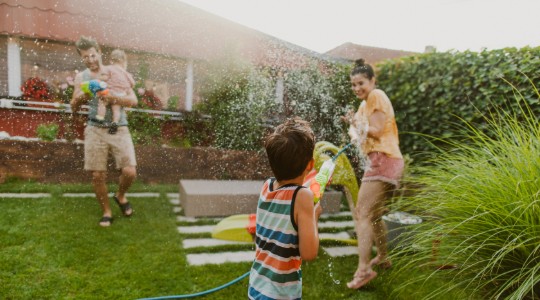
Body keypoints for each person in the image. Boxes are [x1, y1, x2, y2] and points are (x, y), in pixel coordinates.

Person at [343, 59, 404, 289]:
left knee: (362, 214)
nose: (357, 88)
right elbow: (357, 131)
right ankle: (384, 257)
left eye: (361, 83)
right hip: (385, 160)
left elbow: (376, 131)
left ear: (372, 81)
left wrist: (357, 127)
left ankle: (364, 270)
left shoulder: (376, 95)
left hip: (383, 159)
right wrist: (353, 128)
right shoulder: (363, 105)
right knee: (375, 214)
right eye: (353, 84)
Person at [248, 118, 323, 300]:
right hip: (280, 294)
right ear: (310, 165)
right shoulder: (302, 196)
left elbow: (288, 197)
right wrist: (315, 214)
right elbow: (309, 253)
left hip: (257, 286)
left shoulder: (267, 186)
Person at [70, 36, 138, 227]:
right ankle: (107, 211)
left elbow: (133, 100)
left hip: (119, 127)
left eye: (92, 55)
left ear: (99, 52)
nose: (90, 60)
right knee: (98, 175)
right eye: (85, 57)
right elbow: (74, 105)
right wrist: (87, 93)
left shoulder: (115, 71)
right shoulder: (81, 77)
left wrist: (112, 98)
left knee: (129, 171)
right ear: (81, 58)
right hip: (94, 128)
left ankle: (120, 195)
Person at [95, 49, 136, 135]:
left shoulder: (109, 68)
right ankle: (115, 122)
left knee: (102, 102)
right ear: (123, 61)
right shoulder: (126, 73)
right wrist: (125, 86)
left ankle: (100, 118)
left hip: (111, 91)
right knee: (116, 109)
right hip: (121, 93)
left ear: (112, 60)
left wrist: (99, 79)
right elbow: (132, 83)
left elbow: (104, 78)